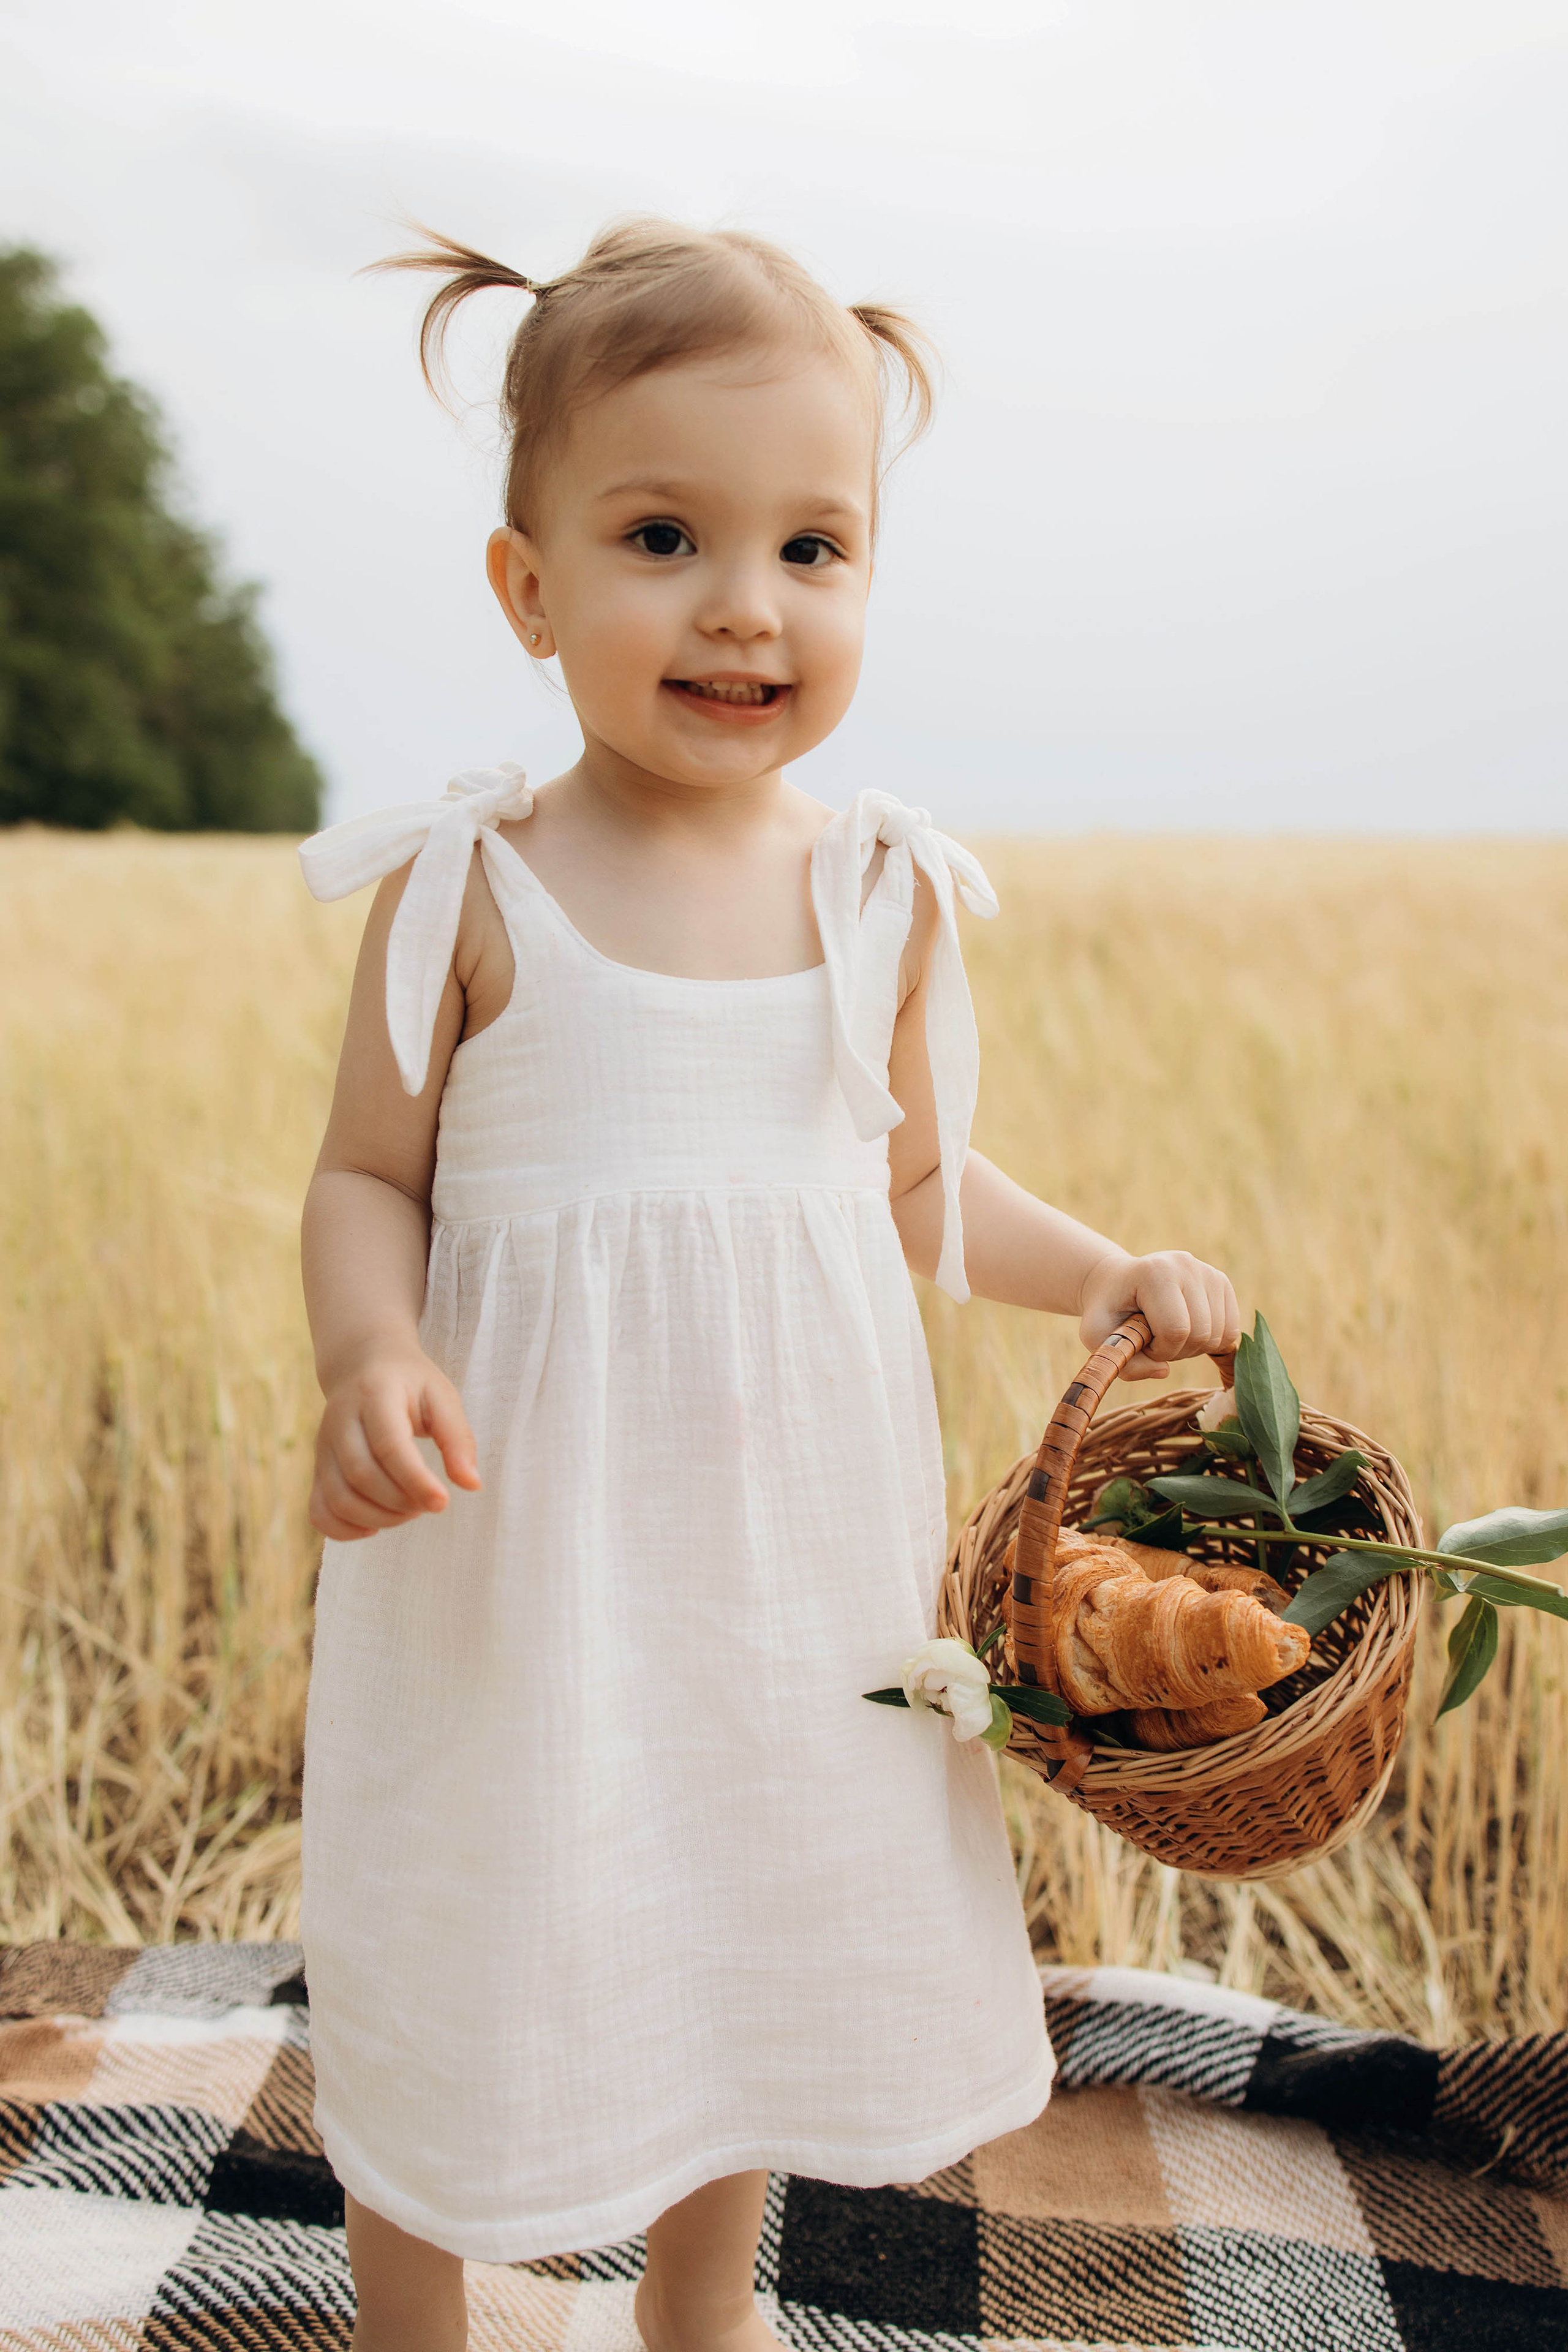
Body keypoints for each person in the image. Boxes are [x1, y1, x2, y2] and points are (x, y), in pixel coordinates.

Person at [296, 217, 1240, 2351]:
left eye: (815, 548)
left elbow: (914, 1189)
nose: (746, 603)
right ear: (527, 590)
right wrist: (369, 1351)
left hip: (782, 1553)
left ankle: (697, 2305)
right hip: (511, 1549)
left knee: (733, 1887)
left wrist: (1097, 1270)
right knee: (469, 1899)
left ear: (869, 579)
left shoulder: (882, 897)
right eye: (663, 536)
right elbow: (365, 1177)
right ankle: (412, 2314)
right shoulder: (471, 888)